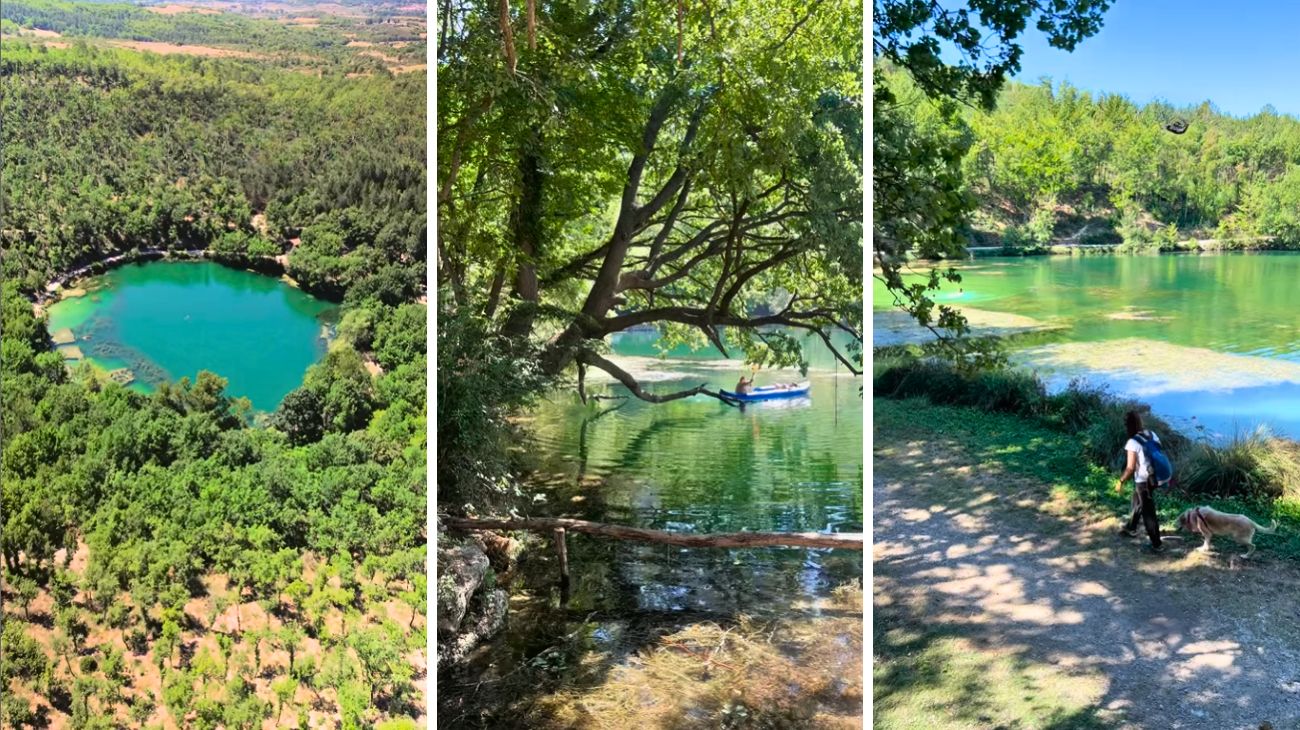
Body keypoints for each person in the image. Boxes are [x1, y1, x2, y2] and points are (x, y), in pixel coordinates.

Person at [1116, 410, 1166, 551]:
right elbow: (1158, 451)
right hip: (1155, 476)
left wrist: (1121, 481)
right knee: (1137, 500)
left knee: (1148, 511)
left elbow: (1130, 468)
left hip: (1143, 481)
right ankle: (1131, 527)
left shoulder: (1132, 442)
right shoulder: (1151, 434)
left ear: (1128, 425)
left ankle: (1156, 544)